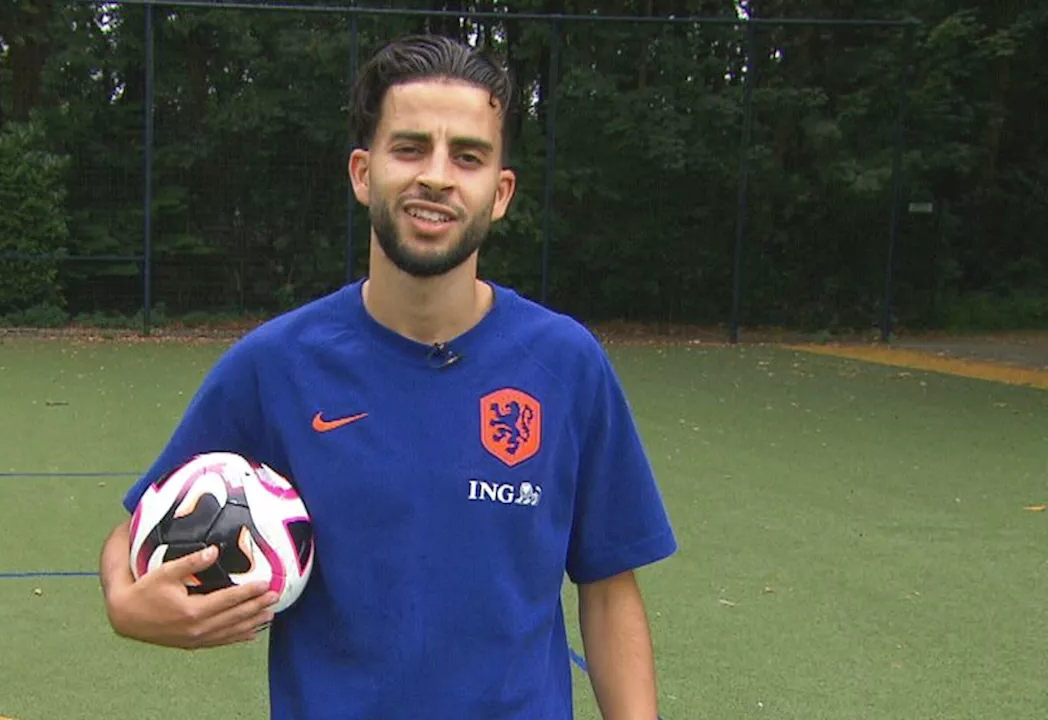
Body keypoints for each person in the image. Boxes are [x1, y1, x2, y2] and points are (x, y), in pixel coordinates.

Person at [98, 33, 677, 720]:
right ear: (363, 172)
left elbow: (609, 590)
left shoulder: (565, 365)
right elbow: (138, 525)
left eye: (468, 156)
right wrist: (124, 602)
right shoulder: (278, 364)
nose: (436, 176)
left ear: (501, 192)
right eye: (410, 148)